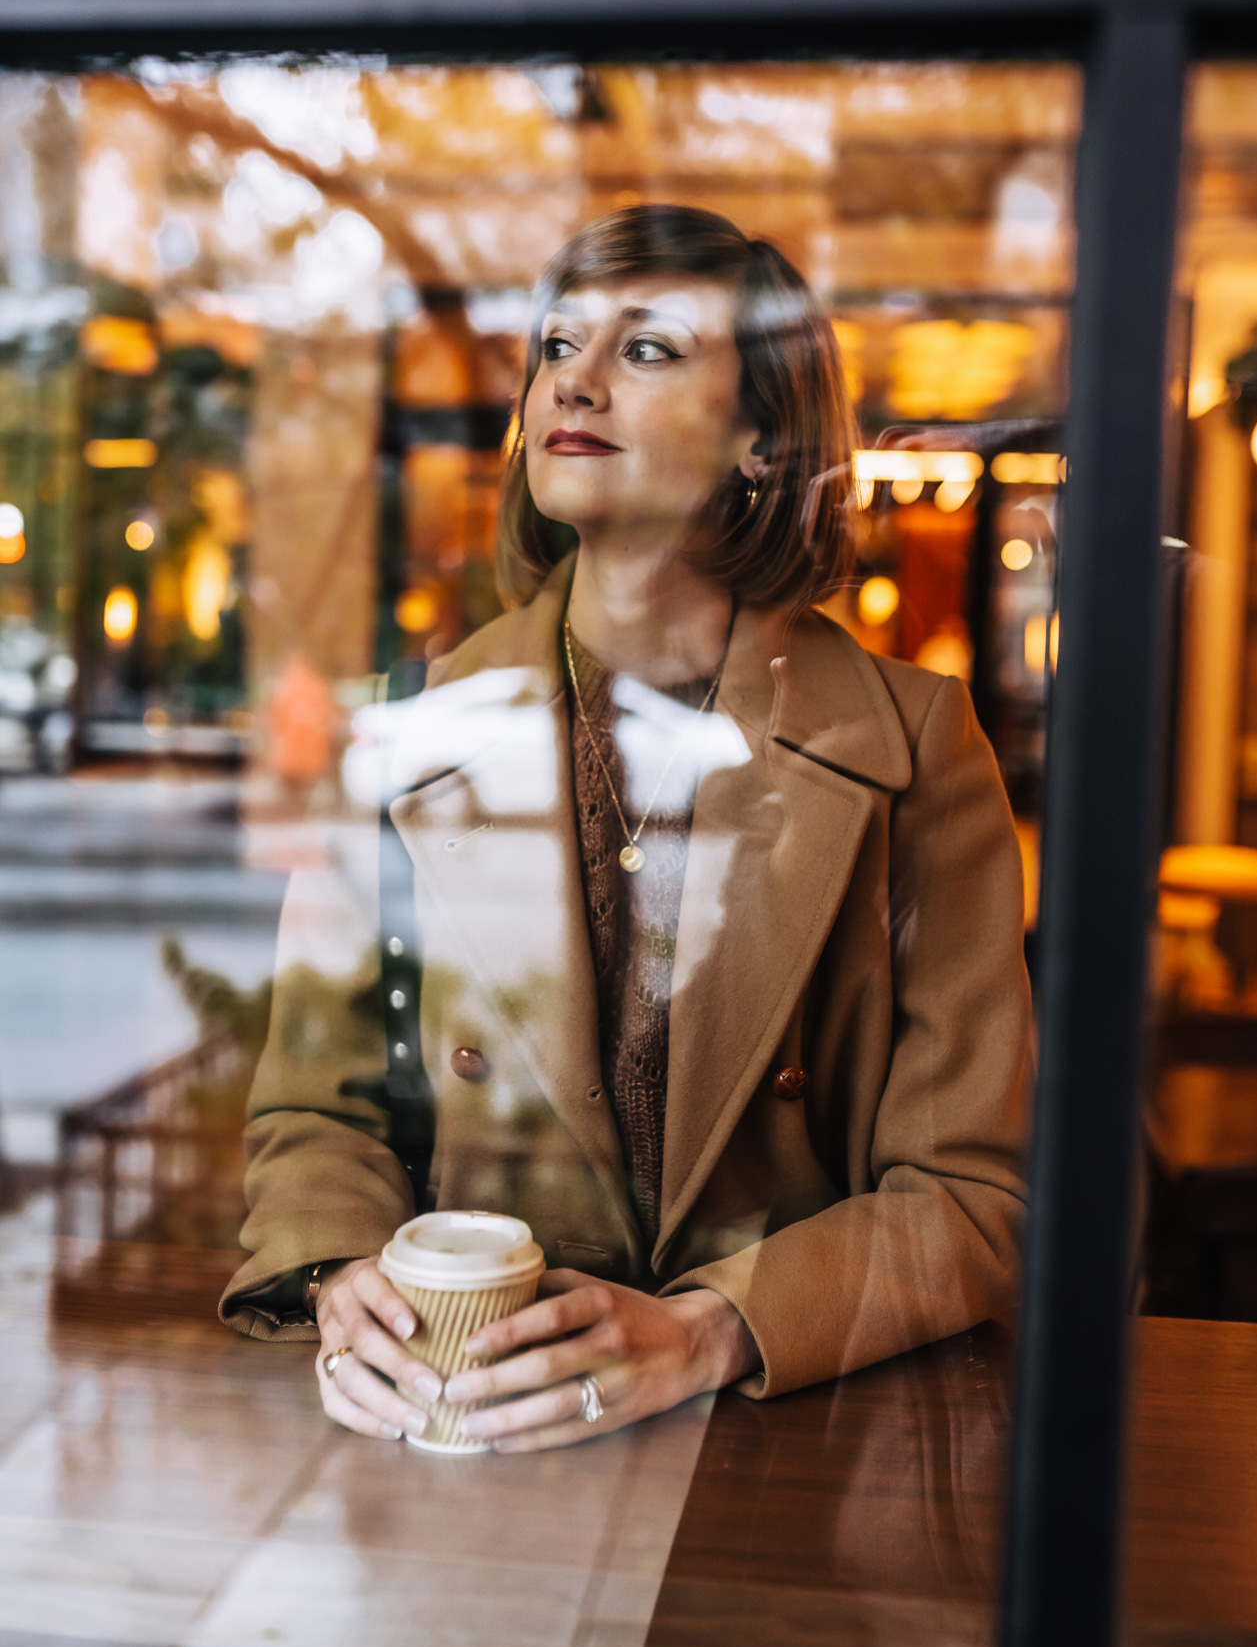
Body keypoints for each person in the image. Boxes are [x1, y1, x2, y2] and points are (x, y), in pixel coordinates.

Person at [221, 203, 1031, 1456]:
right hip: (459, 1415)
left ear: (763, 437)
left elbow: (976, 1196)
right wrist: (342, 1284)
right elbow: (318, 1117)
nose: (574, 383)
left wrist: (709, 1331)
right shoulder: (402, 731)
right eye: (556, 345)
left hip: (787, 1442)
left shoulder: (917, 746)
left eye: (646, 350)